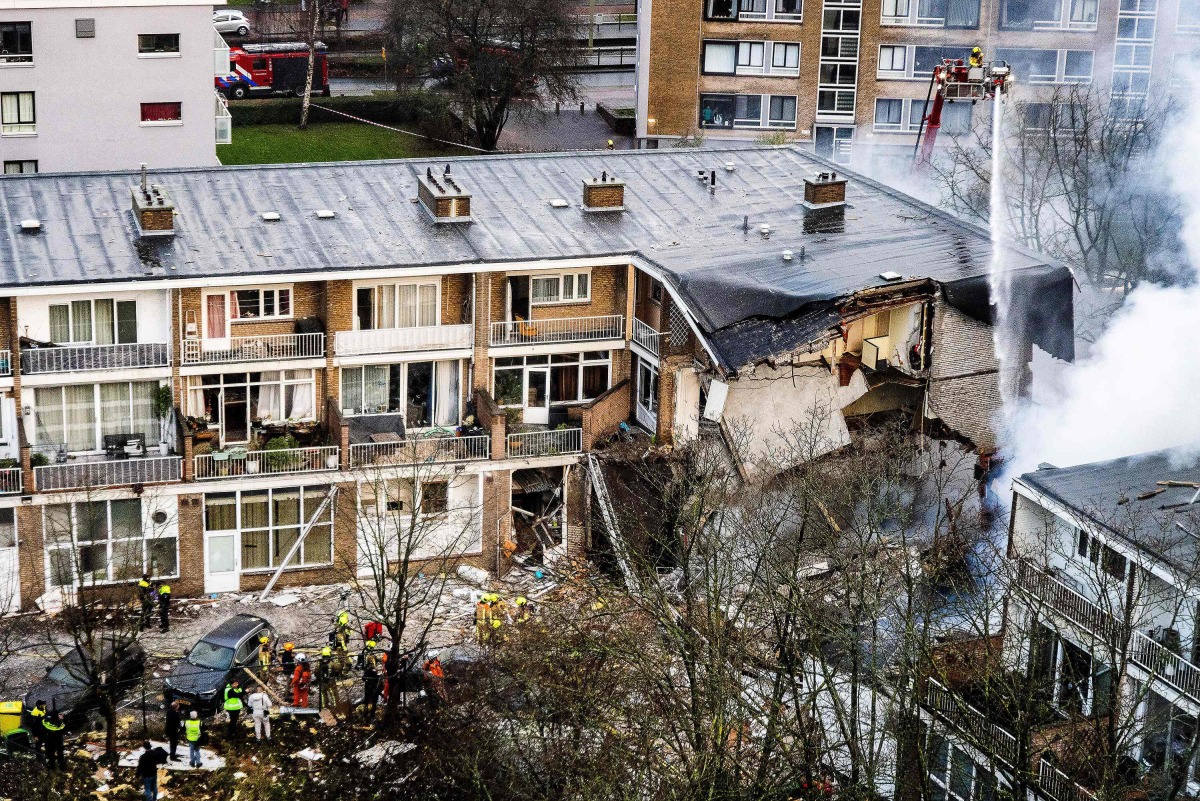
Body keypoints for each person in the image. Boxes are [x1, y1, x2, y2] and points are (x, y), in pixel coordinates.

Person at [361, 640, 381, 719]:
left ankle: (369, 714)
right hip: (371, 683)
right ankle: (370, 714)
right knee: (372, 699)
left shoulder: (368, 656)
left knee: (370, 699)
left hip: (370, 682)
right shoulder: (370, 657)